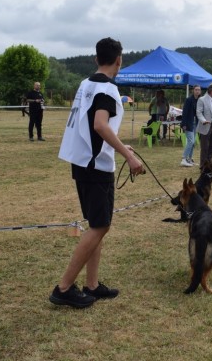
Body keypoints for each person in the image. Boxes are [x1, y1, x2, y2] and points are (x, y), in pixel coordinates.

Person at [53, 37, 144, 308]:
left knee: (97, 224)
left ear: (96, 59)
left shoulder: (86, 84)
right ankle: (64, 288)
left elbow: (94, 126)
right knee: (101, 225)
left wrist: (117, 145)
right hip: (95, 167)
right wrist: (128, 155)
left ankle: (91, 284)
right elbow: (100, 125)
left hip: (82, 162)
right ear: (119, 60)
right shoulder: (108, 90)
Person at [180, 85, 201, 167]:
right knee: (191, 141)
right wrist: (184, 124)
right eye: (196, 89)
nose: (197, 91)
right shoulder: (189, 100)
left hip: (196, 123)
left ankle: (189, 159)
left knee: (193, 142)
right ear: (193, 90)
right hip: (188, 123)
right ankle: (183, 158)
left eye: (199, 90)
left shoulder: (199, 100)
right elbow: (184, 112)